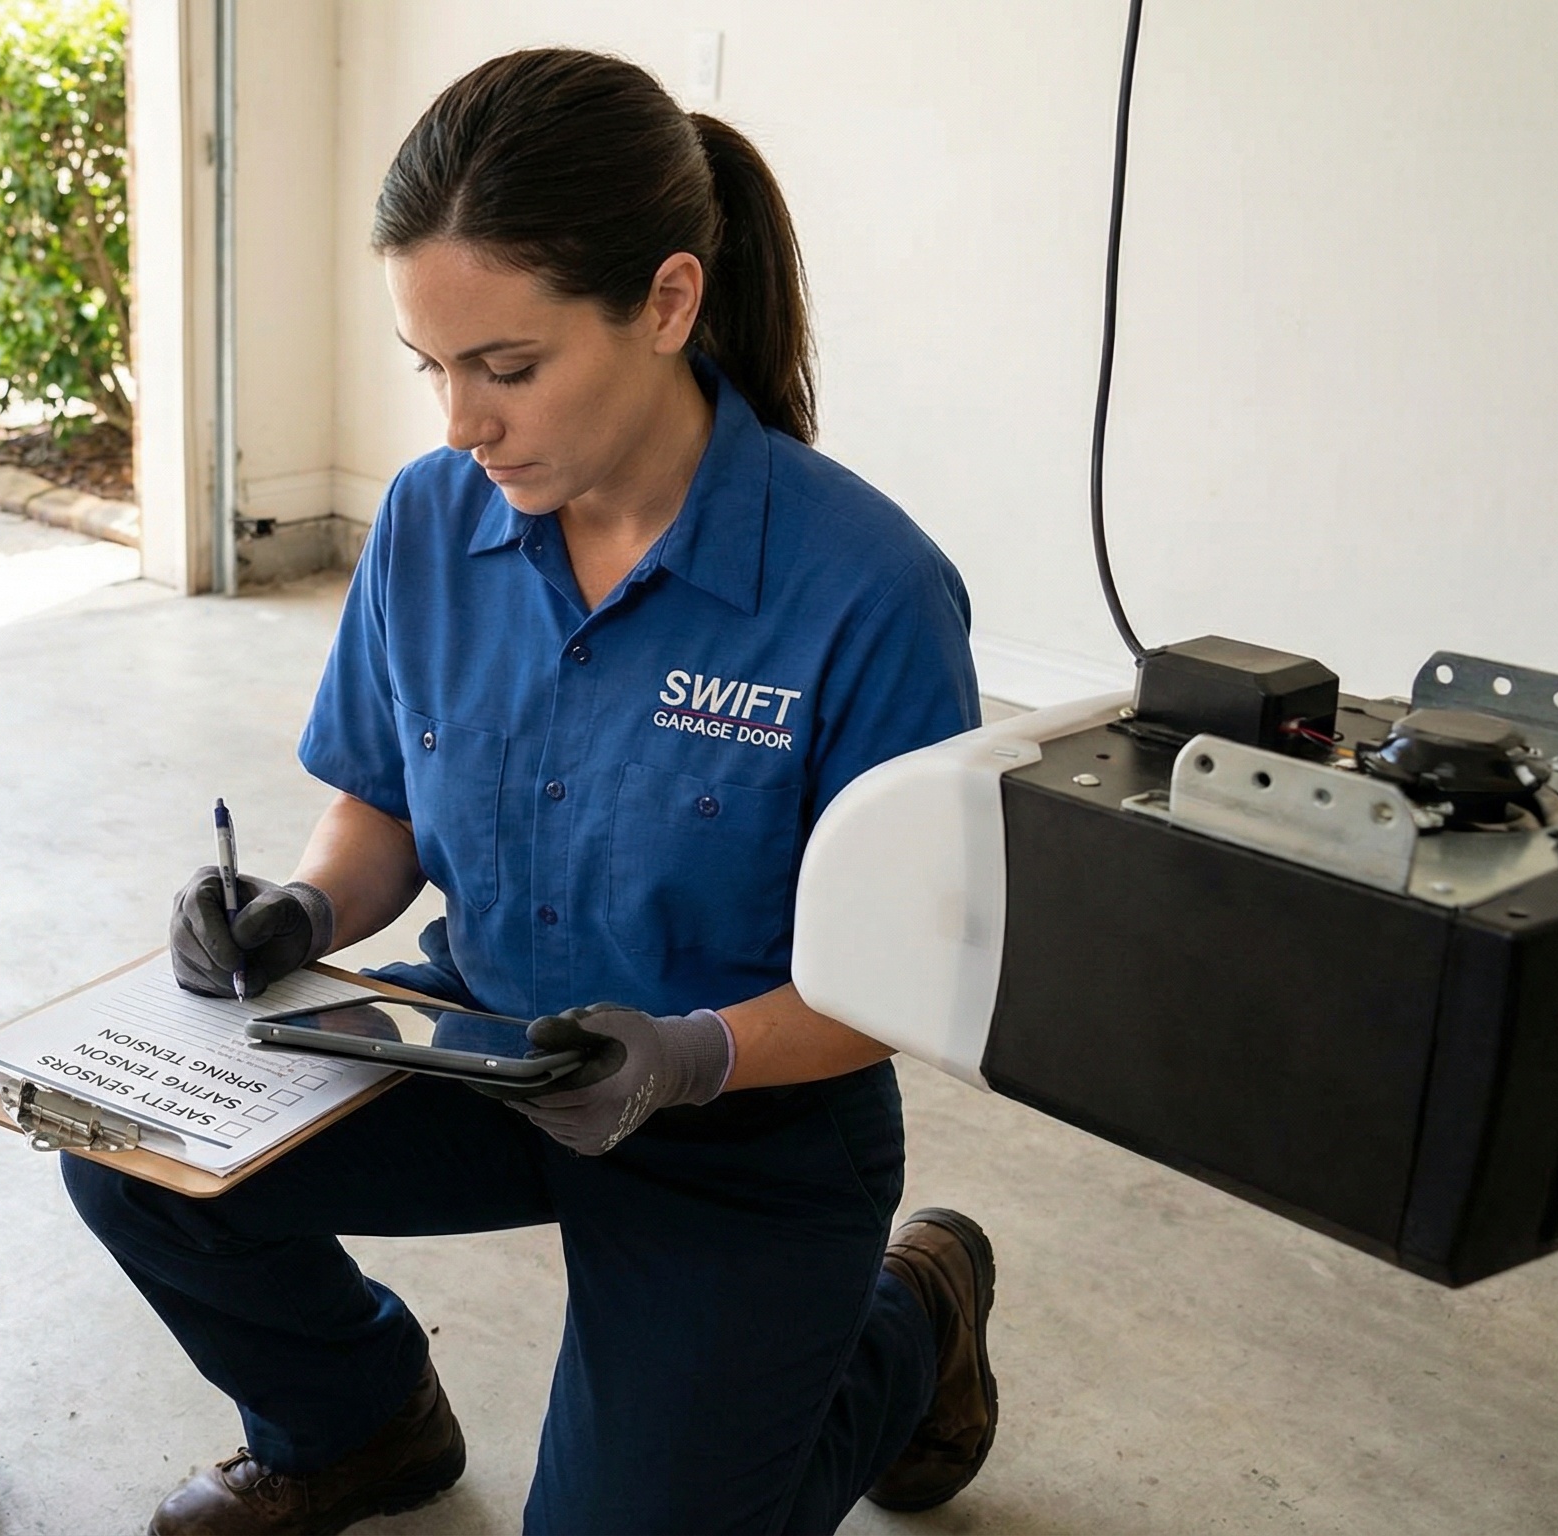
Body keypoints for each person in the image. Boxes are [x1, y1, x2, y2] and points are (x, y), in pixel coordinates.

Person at [66, 48, 997, 1536]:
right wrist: (301, 907)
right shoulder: (441, 519)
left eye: (506, 368)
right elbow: (383, 803)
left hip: (745, 1123)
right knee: (129, 1143)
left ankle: (911, 1322)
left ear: (670, 304)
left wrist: (685, 1060)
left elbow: (896, 987)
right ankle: (358, 1423)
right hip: (487, 1049)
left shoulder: (863, 593)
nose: (459, 426)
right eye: (430, 368)